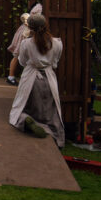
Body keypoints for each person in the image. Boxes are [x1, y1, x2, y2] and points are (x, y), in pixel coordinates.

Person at [9, 14, 65, 147]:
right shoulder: (57, 43)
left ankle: (25, 120)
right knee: (50, 109)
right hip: (49, 78)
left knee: (21, 107)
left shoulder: (26, 43)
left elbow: (22, 62)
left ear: (30, 28)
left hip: (31, 78)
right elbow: (55, 62)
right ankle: (47, 128)